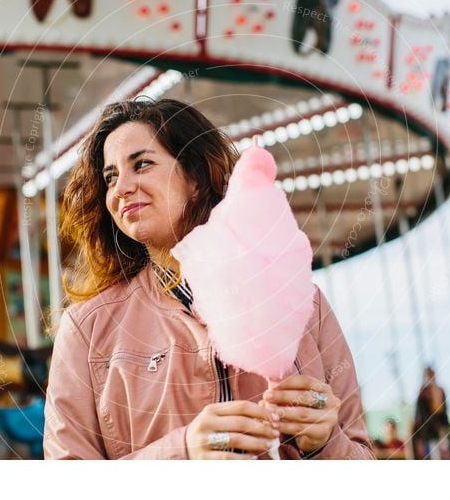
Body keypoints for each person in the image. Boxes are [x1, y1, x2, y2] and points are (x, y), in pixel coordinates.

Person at [43, 98, 375, 460]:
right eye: (110, 177)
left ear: (196, 178)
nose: (121, 187)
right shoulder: (87, 330)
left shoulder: (307, 306)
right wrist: (182, 453)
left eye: (142, 164)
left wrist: (325, 443)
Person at [412, 366, 450, 460]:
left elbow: (443, 410)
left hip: (442, 432)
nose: (431, 377)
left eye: (432, 375)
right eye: (428, 375)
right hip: (428, 434)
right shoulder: (423, 393)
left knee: (445, 456)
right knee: (433, 456)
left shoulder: (440, 391)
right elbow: (419, 415)